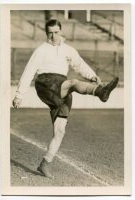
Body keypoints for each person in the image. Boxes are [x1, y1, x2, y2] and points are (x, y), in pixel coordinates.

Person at [12, 19, 119, 179]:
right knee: (73, 83)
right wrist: (19, 95)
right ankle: (100, 92)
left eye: (56, 32)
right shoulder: (41, 50)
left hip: (62, 87)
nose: (53, 36)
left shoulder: (68, 50)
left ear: (61, 32)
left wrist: (92, 76)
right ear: (46, 33)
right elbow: (29, 71)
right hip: (46, 83)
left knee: (60, 131)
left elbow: (79, 65)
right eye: (50, 33)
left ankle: (45, 163)